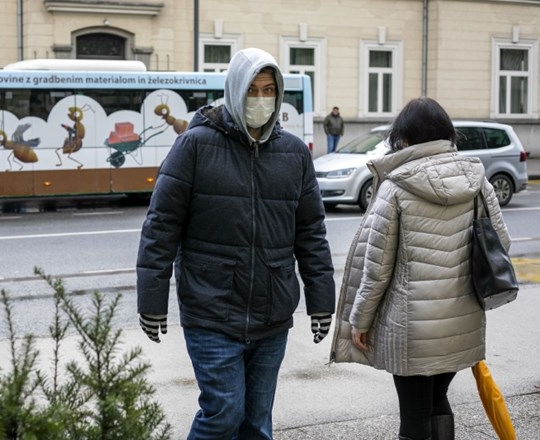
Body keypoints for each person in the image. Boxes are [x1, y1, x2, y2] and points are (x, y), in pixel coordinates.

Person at [136, 48, 335, 440]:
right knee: (224, 412)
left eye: (269, 91)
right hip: (211, 308)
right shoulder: (194, 146)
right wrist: (152, 302)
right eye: (252, 90)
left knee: (257, 423)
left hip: (272, 311)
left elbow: (311, 232)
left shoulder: (294, 154)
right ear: (234, 90)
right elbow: (161, 228)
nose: (261, 100)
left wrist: (321, 300)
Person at [329, 97, 512, 440]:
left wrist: (360, 320)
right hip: (462, 320)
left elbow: (377, 267)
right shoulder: (477, 180)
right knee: (438, 397)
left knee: (414, 412)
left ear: (405, 140)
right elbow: (501, 243)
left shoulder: (396, 187)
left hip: (410, 328)